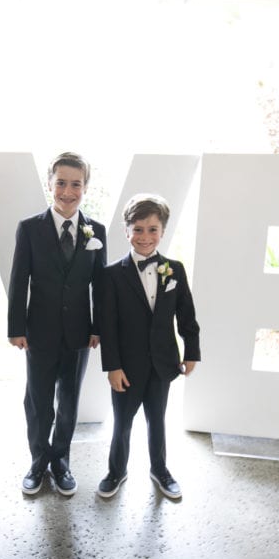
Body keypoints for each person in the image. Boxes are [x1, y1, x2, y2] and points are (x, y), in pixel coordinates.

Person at [8, 152, 107, 496]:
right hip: (39, 333)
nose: (68, 191)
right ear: (50, 184)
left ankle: (61, 460)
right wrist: (16, 327)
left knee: (69, 400)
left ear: (85, 187)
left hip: (79, 334)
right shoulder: (30, 229)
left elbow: (100, 286)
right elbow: (19, 280)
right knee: (37, 400)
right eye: (61, 183)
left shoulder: (97, 231)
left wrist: (98, 327)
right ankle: (38, 461)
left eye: (75, 184)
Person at [96, 194, 200, 500]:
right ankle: (116, 471)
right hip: (126, 368)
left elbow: (186, 315)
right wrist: (112, 366)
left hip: (163, 364)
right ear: (126, 231)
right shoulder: (111, 275)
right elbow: (108, 325)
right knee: (123, 423)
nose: (145, 236)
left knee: (158, 420)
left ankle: (160, 470)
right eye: (138, 229)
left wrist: (191, 351)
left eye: (152, 229)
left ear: (163, 231)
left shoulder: (175, 270)